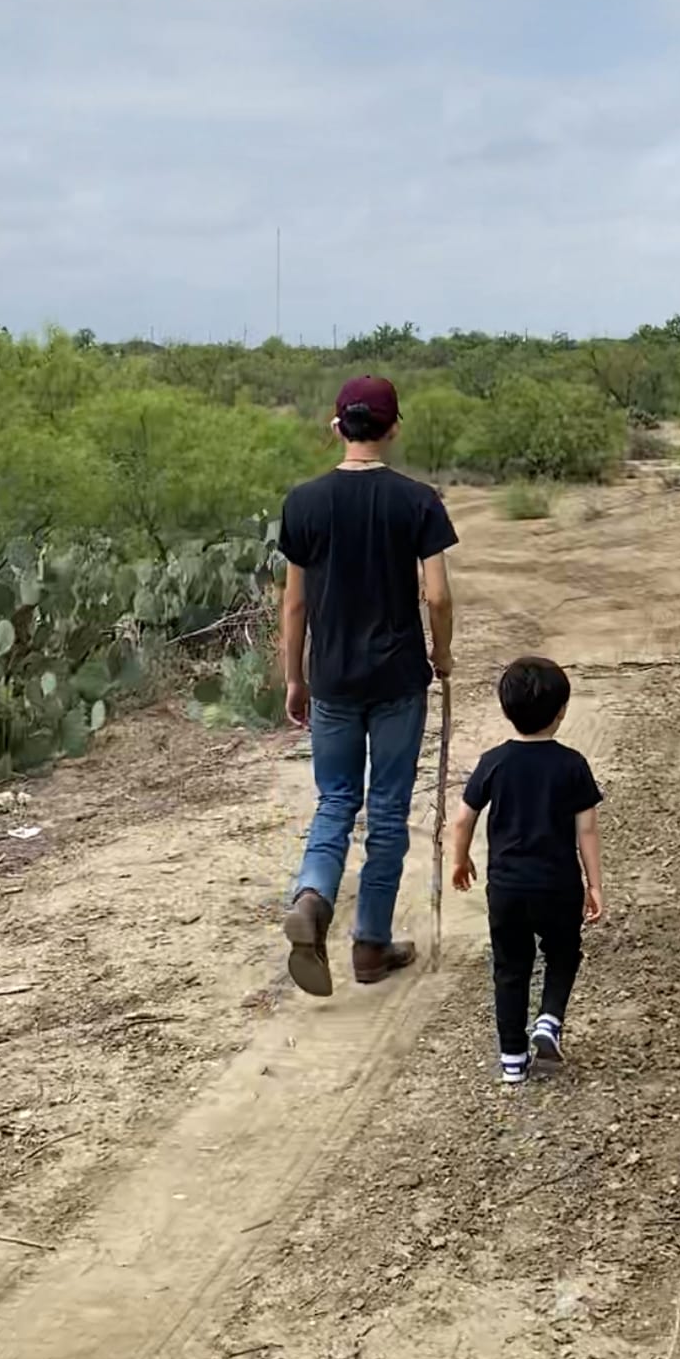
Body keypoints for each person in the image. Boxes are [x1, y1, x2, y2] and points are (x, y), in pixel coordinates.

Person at [279, 375, 456, 996]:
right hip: (398, 678)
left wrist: (295, 677)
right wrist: (442, 653)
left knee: (335, 800)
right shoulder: (418, 501)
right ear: (393, 428)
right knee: (386, 810)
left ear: (337, 427)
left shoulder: (303, 502)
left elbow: (295, 604)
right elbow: (437, 594)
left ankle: (312, 896)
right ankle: (370, 944)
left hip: (332, 679)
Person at [452, 656, 603, 1084]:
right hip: (558, 885)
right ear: (561, 712)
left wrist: (460, 859)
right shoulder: (572, 765)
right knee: (563, 954)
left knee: (510, 968)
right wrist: (594, 884)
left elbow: (462, 819)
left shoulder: (493, 761)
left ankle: (513, 1060)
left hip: (506, 888)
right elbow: (587, 830)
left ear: (506, 710)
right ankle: (549, 1019)